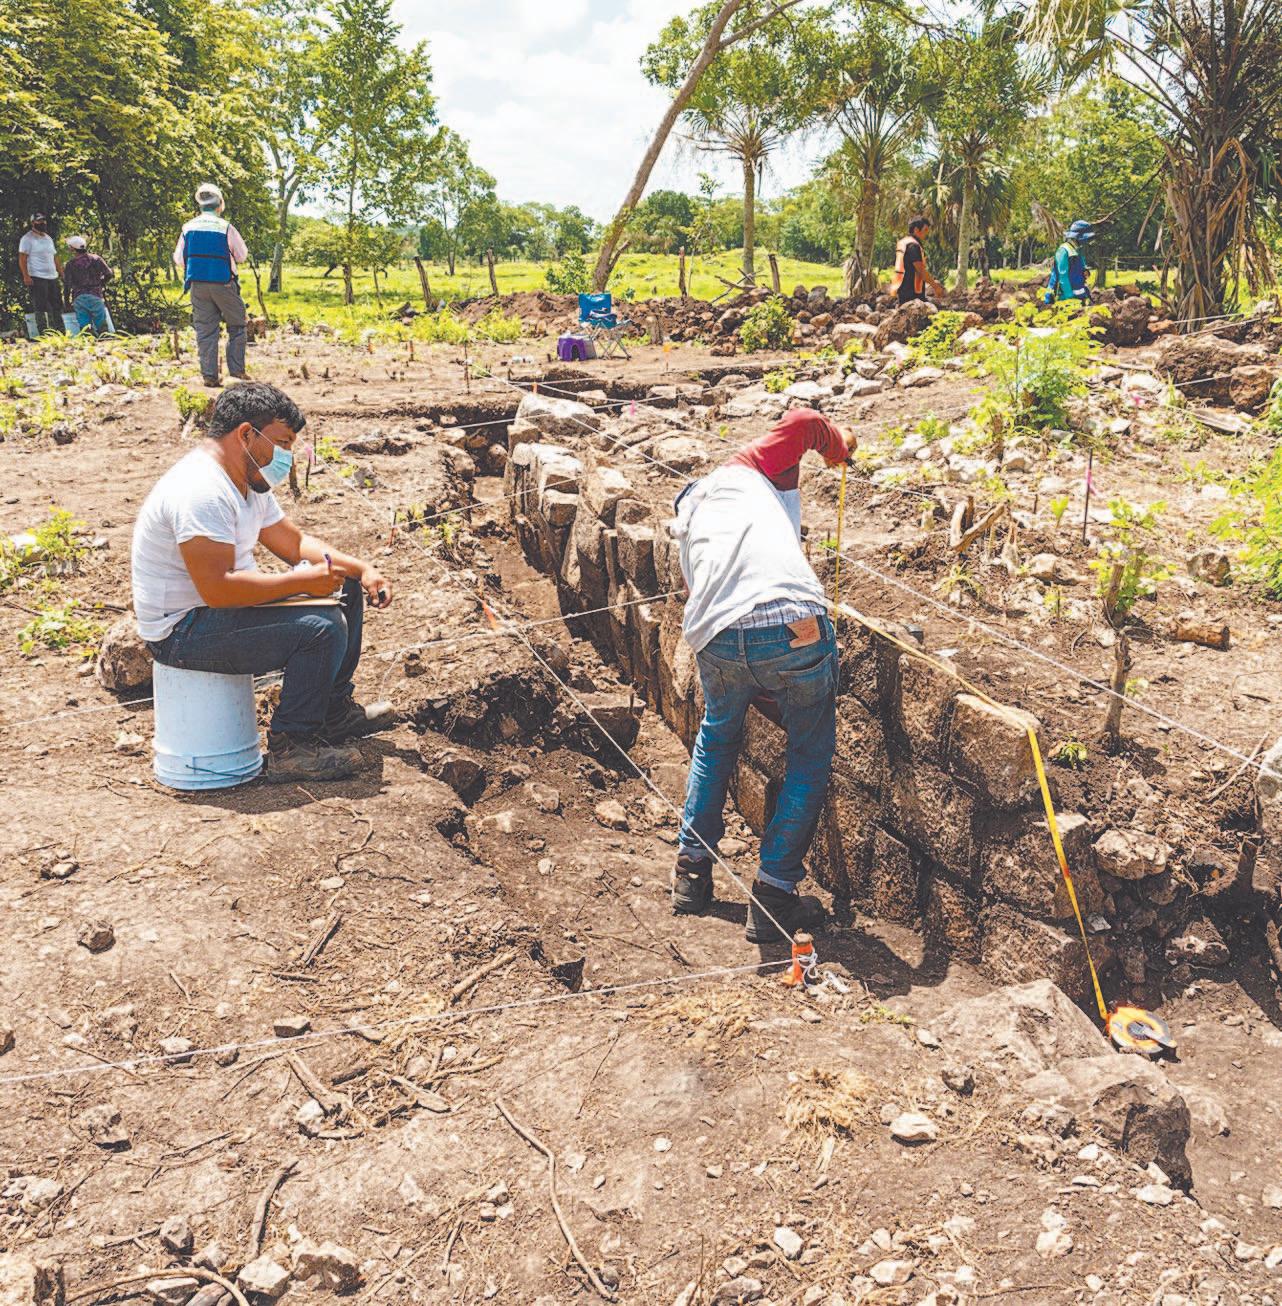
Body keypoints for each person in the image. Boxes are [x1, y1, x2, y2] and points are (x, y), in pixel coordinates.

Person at [132, 382, 395, 784]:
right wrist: (298, 582)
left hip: (217, 611)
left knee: (345, 587)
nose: (287, 456)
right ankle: (293, 745)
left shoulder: (246, 478)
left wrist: (362, 569)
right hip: (182, 631)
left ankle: (332, 713)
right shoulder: (201, 490)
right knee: (319, 629)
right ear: (246, 434)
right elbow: (218, 590)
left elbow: (294, 543)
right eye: (283, 442)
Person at [668, 407, 857, 944]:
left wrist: (758, 678)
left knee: (717, 737)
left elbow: (724, 624)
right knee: (809, 755)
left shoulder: (693, 526)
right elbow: (803, 421)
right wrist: (839, 447)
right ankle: (774, 893)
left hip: (717, 634)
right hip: (792, 621)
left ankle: (691, 874)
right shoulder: (743, 470)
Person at [173, 182, 250, 388]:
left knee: (205, 330)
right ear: (220, 204)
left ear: (200, 205)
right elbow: (241, 256)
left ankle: (209, 376)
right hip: (224, 283)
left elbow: (179, 259)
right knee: (237, 325)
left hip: (197, 285)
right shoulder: (225, 227)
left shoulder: (188, 228)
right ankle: (236, 372)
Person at [18, 212, 63, 335]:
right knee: (40, 306)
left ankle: (60, 331)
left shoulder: (48, 238)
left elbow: (54, 257)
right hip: (37, 277)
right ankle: (44, 333)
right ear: (33, 223)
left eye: (44, 220)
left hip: (52, 276)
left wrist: (61, 272)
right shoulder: (27, 239)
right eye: (39, 221)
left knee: (56, 305)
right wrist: (26, 276)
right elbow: (22, 259)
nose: (42, 223)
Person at [62, 235, 114, 336]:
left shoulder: (70, 264)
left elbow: (67, 285)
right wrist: (101, 283)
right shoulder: (96, 259)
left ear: (72, 249)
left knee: (85, 326)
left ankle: (89, 339)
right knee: (102, 325)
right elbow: (109, 274)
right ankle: (104, 338)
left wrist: (67, 303)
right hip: (95, 295)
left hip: (79, 297)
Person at [890, 216, 945, 306]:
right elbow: (921, 270)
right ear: (916, 229)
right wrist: (936, 287)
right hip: (911, 291)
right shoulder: (913, 246)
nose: (927, 233)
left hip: (901, 288)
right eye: (925, 230)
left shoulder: (904, 242)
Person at [1044, 220, 1094, 305]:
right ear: (1078, 237)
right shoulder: (1063, 251)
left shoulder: (1077, 250)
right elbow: (1063, 276)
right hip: (1064, 297)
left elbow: (1080, 268)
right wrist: (1069, 298)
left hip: (1079, 294)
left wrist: (1085, 272)